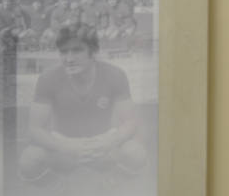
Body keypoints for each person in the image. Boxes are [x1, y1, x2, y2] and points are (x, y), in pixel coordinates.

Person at [18, 24, 146, 180]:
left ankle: (112, 186)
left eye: (77, 50)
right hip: (64, 142)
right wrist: (64, 146)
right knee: (29, 161)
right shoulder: (48, 78)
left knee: (136, 154)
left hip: (102, 141)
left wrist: (111, 141)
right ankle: (58, 190)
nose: (69, 59)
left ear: (93, 52)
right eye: (64, 52)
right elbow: (35, 128)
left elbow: (130, 121)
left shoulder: (115, 74)